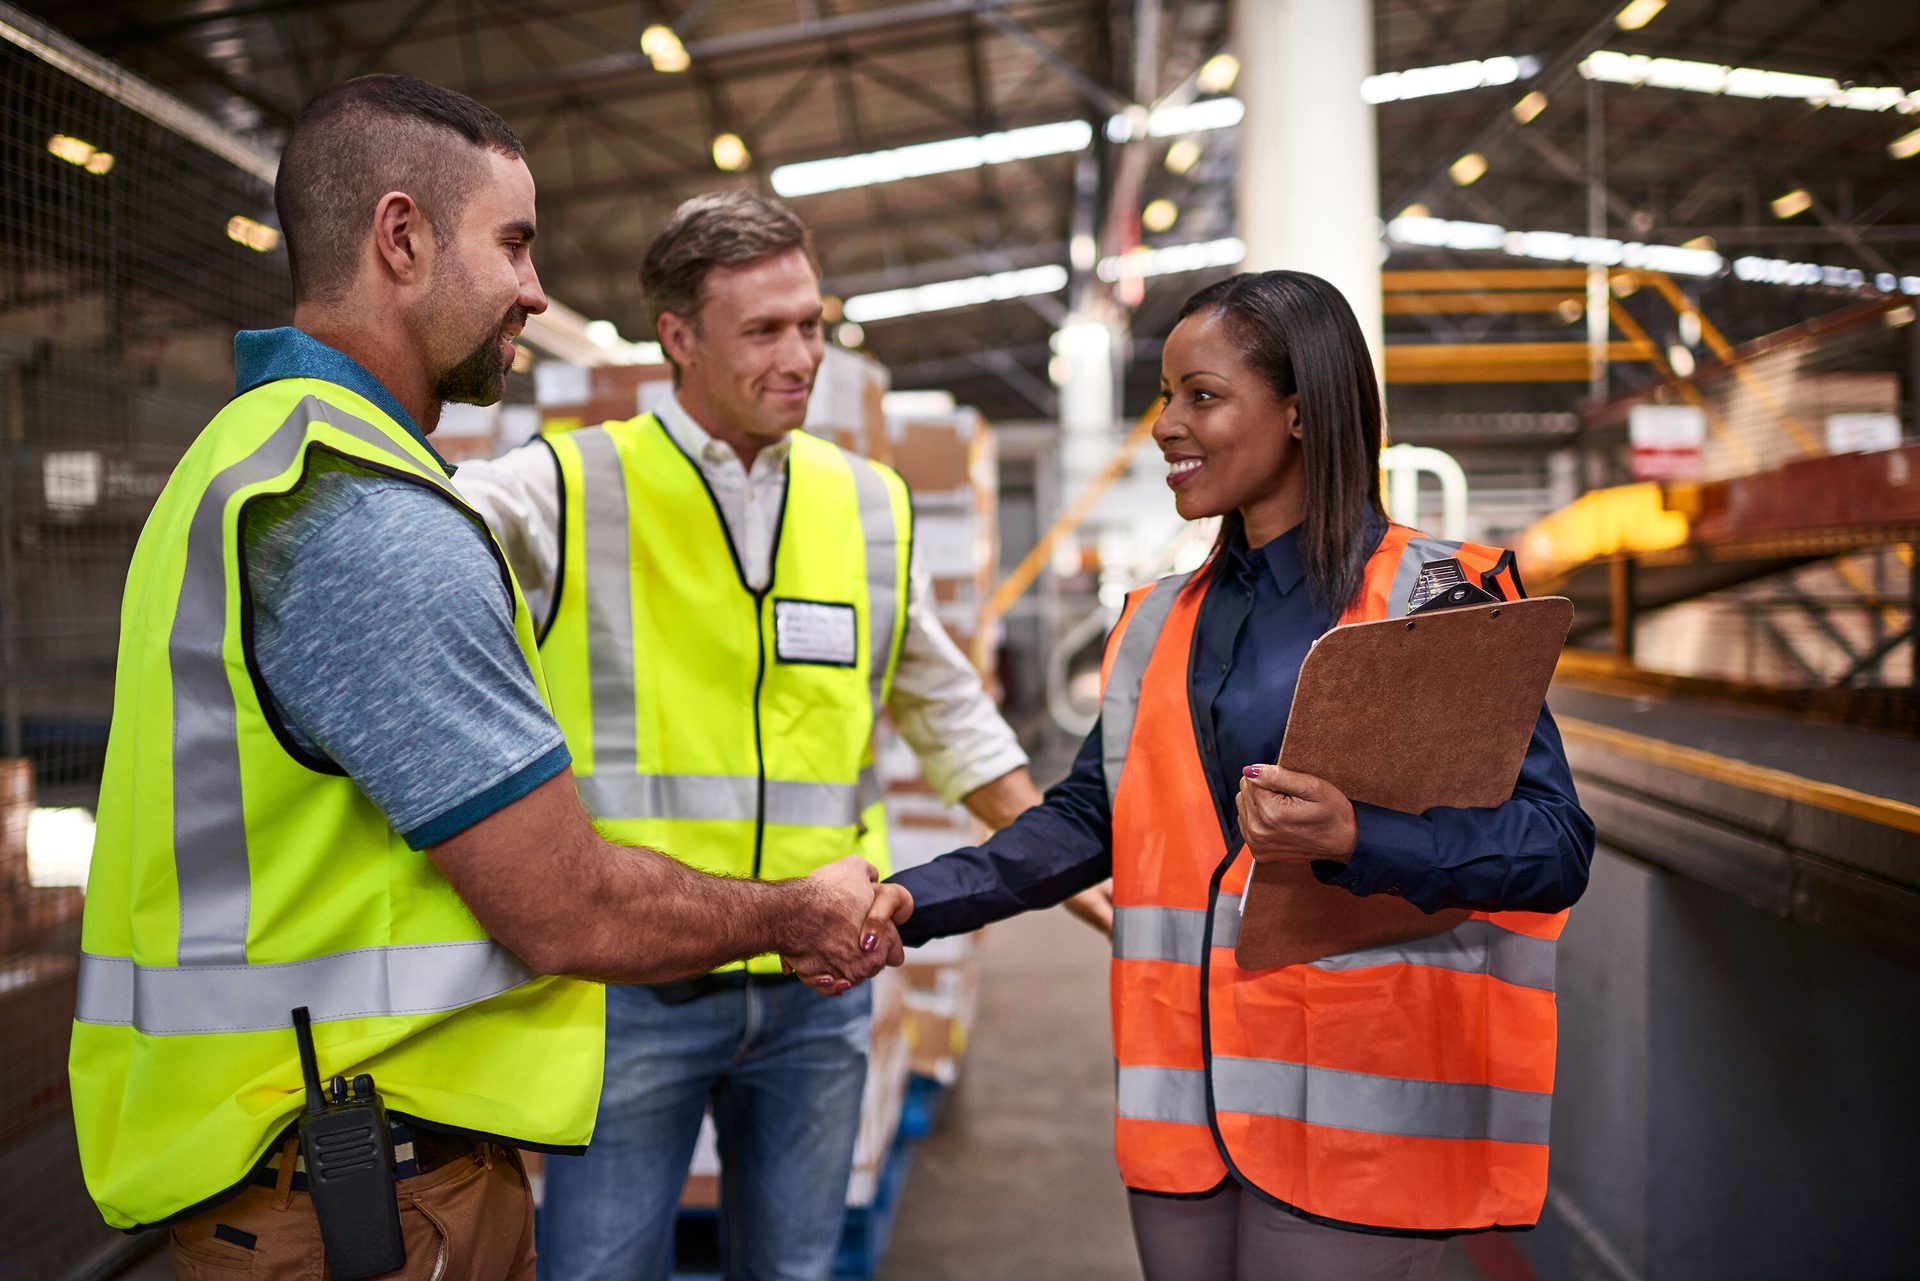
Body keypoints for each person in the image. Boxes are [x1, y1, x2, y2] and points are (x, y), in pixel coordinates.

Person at [69, 76, 899, 1281]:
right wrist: (792, 913)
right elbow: (569, 906)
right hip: (366, 1196)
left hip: (300, 1160)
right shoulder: (364, 521)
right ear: (400, 237)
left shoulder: (248, 457)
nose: (536, 289)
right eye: (512, 244)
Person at [884, 270, 1596, 1281]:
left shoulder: (1431, 599)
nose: (1167, 425)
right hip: (1183, 1112)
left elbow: (1553, 847)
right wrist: (911, 900)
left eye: (1202, 396)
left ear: (1300, 411)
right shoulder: (1155, 623)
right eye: (1166, 396)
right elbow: (1088, 817)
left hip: (1355, 1118)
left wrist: (1359, 838)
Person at [452, 190, 1040, 1281]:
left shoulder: (866, 502)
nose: (802, 355)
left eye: (811, 324)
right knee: (597, 1269)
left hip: (819, 983)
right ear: (678, 337)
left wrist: (1085, 874)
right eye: (765, 330)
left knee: (796, 1271)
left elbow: (948, 710)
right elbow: (414, 532)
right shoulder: (571, 485)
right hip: (637, 989)